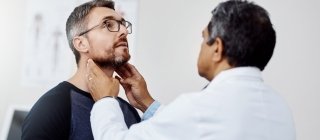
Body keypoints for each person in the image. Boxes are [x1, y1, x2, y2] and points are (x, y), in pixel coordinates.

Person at [86, 0, 296, 140]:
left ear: (217, 48)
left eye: (204, 38)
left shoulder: (203, 108)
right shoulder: (280, 108)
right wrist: (148, 104)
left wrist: (105, 101)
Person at [21, 0, 141, 139]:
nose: (124, 31)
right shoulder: (51, 107)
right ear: (81, 43)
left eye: (123, 24)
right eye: (108, 24)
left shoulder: (128, 111)